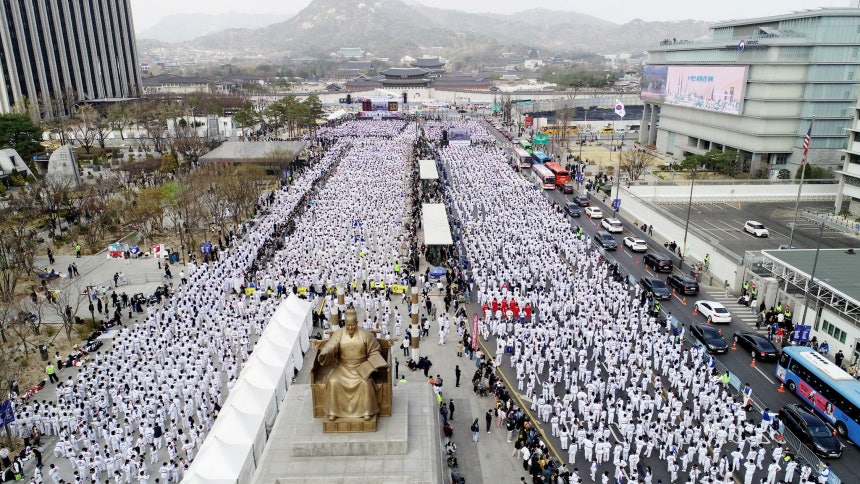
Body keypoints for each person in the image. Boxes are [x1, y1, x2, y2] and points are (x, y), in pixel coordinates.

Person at [316, 305, 387, 421]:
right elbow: (330, 346)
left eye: (353, 325)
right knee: (333, 382)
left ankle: (366, 411)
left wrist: (372, 363)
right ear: (344, 324)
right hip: (343, 367)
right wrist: (324, 353)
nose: (350, 328)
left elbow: (375, 350)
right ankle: (333, 411)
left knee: (365, 383)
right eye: (348, 325)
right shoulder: (339, 333)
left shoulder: (365, 334)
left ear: (357, 323)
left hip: (361, 367)